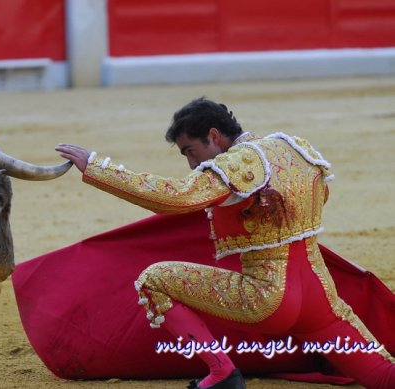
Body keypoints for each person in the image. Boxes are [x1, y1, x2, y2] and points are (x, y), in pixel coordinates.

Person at [55, 97, 394, 389]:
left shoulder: (235, 165)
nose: (193, 163)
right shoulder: (292, 148)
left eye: (191, 150)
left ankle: (222, 373)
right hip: (320, 298)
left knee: (154, 279)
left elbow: (177, 198)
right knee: (382, 376)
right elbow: (323, 194)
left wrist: (98, 169)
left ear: (214, 136)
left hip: (267, 298)